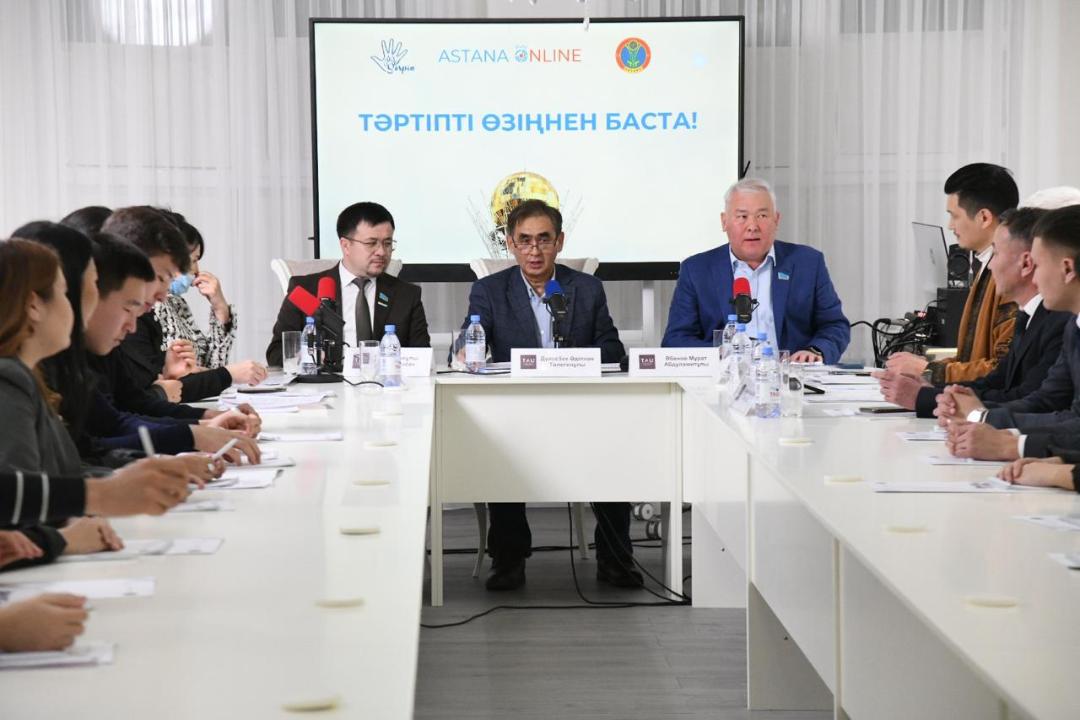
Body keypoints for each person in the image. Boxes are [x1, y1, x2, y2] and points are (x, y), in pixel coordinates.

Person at [456, 199, 633, 591]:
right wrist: (467, 348)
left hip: (581, 408)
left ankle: (616, 559)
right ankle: (509, 559)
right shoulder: (489, 290)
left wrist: (573, 361)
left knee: (615, 443)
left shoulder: (586, 289)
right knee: (498, 445)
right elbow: (470, 338)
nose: (534, 250)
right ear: (510, 244)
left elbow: (611, 348)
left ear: (560, 242)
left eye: (543, 239)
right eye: (524, 240)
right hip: (517, 411)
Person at [875, 207, 1071, 414]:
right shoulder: (1029, 316)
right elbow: (999, 380)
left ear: (1026, 263)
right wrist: (934, 390)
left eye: (996, 254)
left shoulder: (1059, 322)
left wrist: (927, 397)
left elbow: (1031, 399)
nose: (991, 266)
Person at [940, 206, 1080, 460]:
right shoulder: (1074, 326)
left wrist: (1006, 440)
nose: (1034, 279)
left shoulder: (1061, 323)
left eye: (1038, 266)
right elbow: (1049, 400)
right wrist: (975, 413)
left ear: (1068, 269)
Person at [661, 178, 850, 363]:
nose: (752, 226)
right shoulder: (696, 270)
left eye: (762, 216)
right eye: (742, 217)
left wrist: (815, 350)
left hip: (790, 376)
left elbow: (834, 325)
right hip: (724, 376)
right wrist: (719, 355)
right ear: (724, 222)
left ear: (776, 220)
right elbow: (676, 339)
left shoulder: (808, 263)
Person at [886, 164, 1020, 383]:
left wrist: (929, 370)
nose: (950, 226)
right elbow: (973, 357)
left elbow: (1003, 369)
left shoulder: (1011, 276)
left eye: (954, 216)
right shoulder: (985, 264)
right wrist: (925, 366)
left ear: (984, 217)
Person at [266, 202, 430, 366]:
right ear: (346, 245)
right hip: (325, 380)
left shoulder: (407, 295)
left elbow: (422, 357)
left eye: (387, 243)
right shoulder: (305, 290)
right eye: (371, 243)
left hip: (384, 381)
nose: (381, 252)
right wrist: (309, 356)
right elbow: (276, 353)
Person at [154, 210, 266, 383]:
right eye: (193, 260)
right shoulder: (152, 306)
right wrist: (231, 374)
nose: (196, 270)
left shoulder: (177, 303)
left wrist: (220, 307)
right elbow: (183, 378)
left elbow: (212, 367)